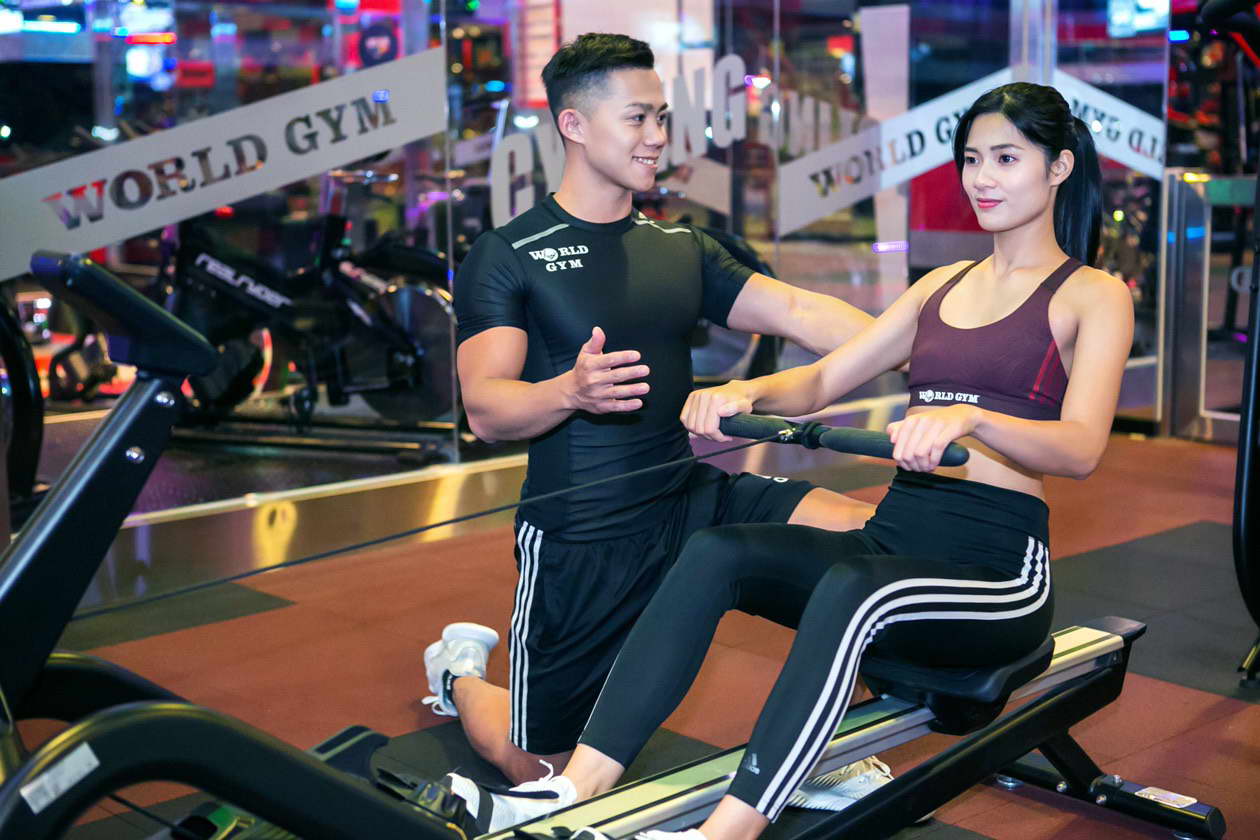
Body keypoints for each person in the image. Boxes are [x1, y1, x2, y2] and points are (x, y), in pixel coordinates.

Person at [442, 80, 1135, 840]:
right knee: (719, 553)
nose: (983, 179)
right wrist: (741, 390)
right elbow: (821, 381)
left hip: (996, 573)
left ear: (1058, 167)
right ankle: (571, 792)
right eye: (972, 159)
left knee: (853, 589)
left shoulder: (1093, 295)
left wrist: (973, 417)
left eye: (1006, 159)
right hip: (901, 541)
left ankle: (726, 834)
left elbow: (1081, 449)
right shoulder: (941, 287)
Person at [425, 32, 884, 788]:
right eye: (638, 118)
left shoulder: (680, 247)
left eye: (662, 117)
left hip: (690, 495)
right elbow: (487, 409)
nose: (658, 137)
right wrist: (569, 391)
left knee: (880, 548)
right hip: (586, 535)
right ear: (574, 125)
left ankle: (821, 753)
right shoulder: (509, 255)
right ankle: (459, 676)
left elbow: (802, 311)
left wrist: (930, 349)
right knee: (538, 767)